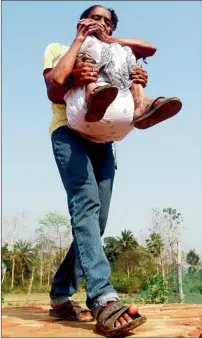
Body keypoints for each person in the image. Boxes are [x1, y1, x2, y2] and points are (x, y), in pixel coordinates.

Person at [43, 5, 154, 337]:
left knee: (98, 218)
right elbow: (54, 86)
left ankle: (61, 295)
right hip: (69, 133)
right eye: (96, 18)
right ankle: (103, 298)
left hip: (103, 139)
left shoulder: (116, 51)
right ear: (81, 21)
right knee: (86, 204)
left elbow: (147, 49)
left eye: (107, 21)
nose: (100, 24)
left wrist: (136, 79)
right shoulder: (59, 49)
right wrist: (80, 42)